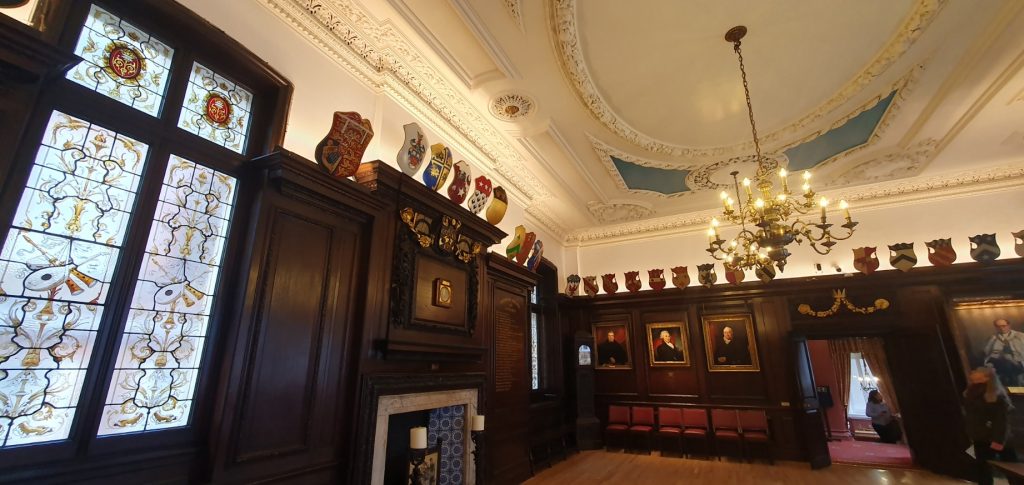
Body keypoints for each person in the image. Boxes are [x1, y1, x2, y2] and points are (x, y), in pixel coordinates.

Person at [964, 367, 1017, 485]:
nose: (973, 373)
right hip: (980, 437)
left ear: (986, 377)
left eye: (977, 372)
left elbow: (1001, 421)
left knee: (1011, 468)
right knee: (983, 469)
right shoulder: (972, 392)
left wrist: (998, 440)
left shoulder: (995, 395)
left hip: (996, 438)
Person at [983, 318, 1024, 389]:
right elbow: (987, 352)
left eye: (1003, 326)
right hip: (999, 362)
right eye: (998, 326)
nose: (1001, 328)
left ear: (1009, 325)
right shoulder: (993, 338)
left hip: (1019, 360)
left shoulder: (1020, 336)